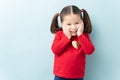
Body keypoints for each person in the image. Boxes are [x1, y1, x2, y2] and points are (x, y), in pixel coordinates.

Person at [50, 5, 95, 80]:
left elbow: (90, 51)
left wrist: (80, 35)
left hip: (77, 77)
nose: (73, 27)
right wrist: (67, 37)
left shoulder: (83, 36)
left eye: (77, 23)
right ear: (62, 24)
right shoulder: (59, 34)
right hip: (60, 76)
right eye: (69, 24)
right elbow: (55, 50)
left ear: (82, 22)